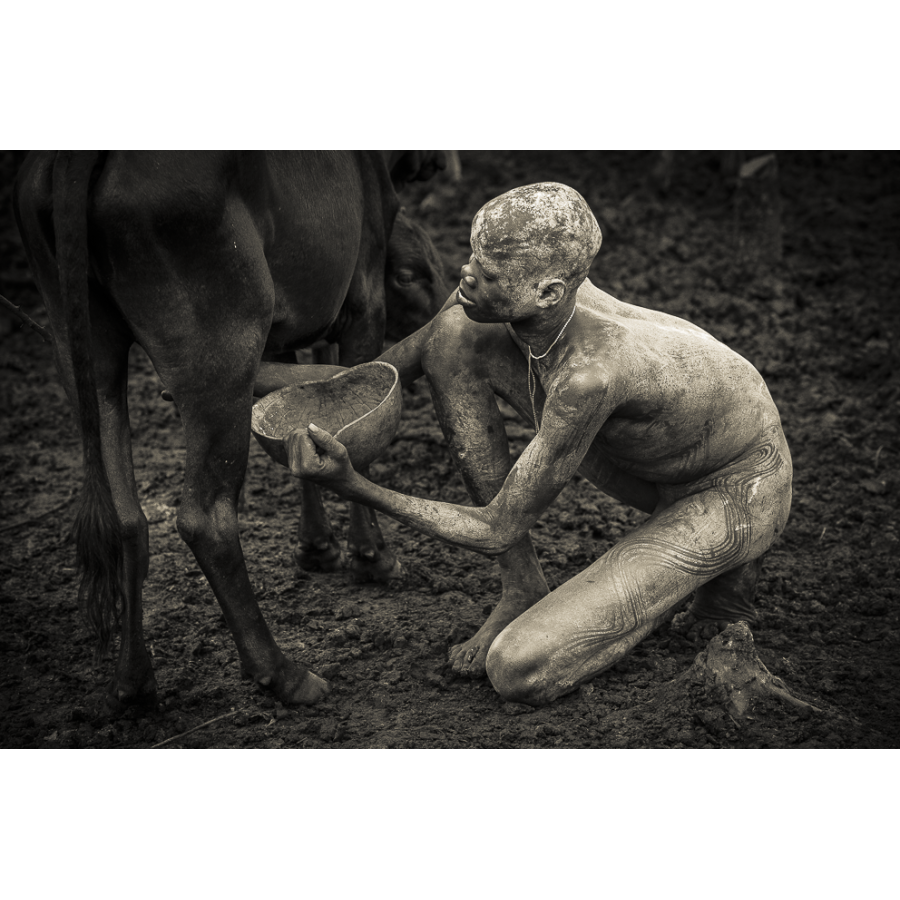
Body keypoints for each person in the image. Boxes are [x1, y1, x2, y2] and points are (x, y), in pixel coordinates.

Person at [276, 182, 793, 707]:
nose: (466, 276)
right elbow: (380, 375)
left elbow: (496, 528)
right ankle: (524, 585)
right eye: (473, 258)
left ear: (547, 292)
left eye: (490, 274)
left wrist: (352, 485)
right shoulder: (535, 298)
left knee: (516, 668)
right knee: (452, 336)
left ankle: (703, 577)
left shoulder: (589, 375)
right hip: (659, 460)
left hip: (737, 486)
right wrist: (237, 375)